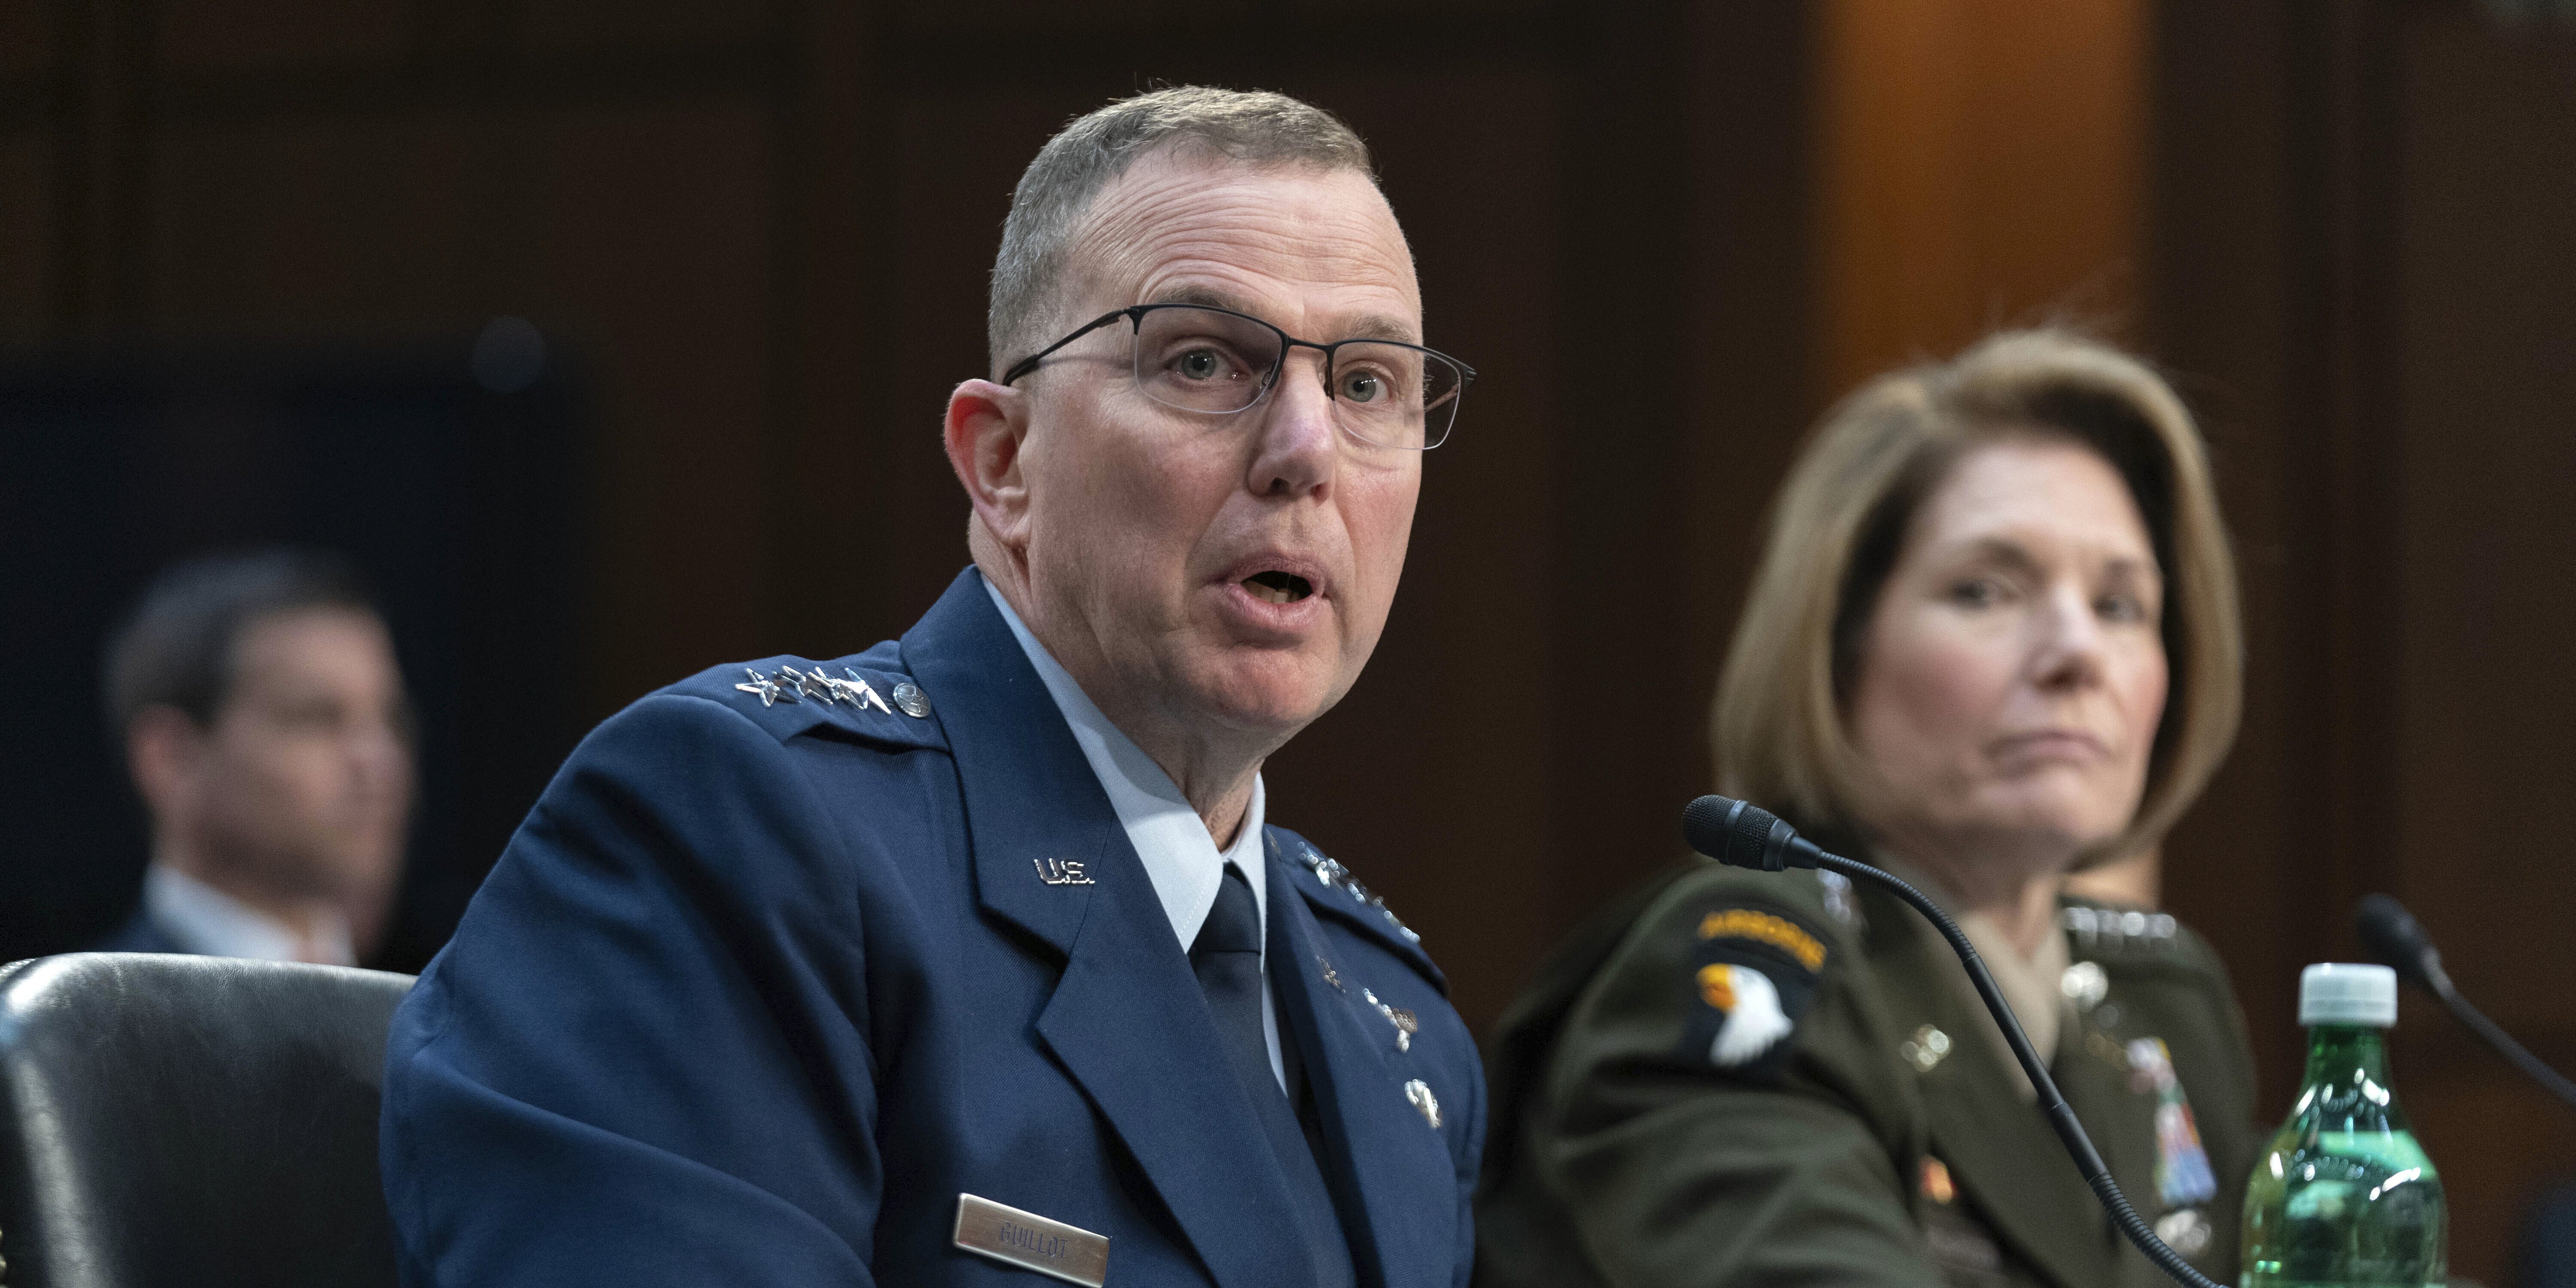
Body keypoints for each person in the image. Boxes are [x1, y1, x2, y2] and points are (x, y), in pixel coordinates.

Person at [381, 87, 1485, 1288]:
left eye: (1369, 383)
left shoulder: (1397, 1023)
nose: (1308, 452)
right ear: (1003, 463)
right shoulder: (740, 835)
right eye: (1205, 361)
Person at [1476, 329, 2256, 1288]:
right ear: (1838, 655)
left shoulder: (2163, 996)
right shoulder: (1742, 964)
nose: (2076, 652)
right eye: (1987, 591)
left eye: (2122, 606)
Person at [96, 547, 413, 966]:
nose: (380, 763)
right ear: (171, 761)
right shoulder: (84, 1025)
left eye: (392, 720)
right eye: (316, 718)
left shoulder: (435, 1018)